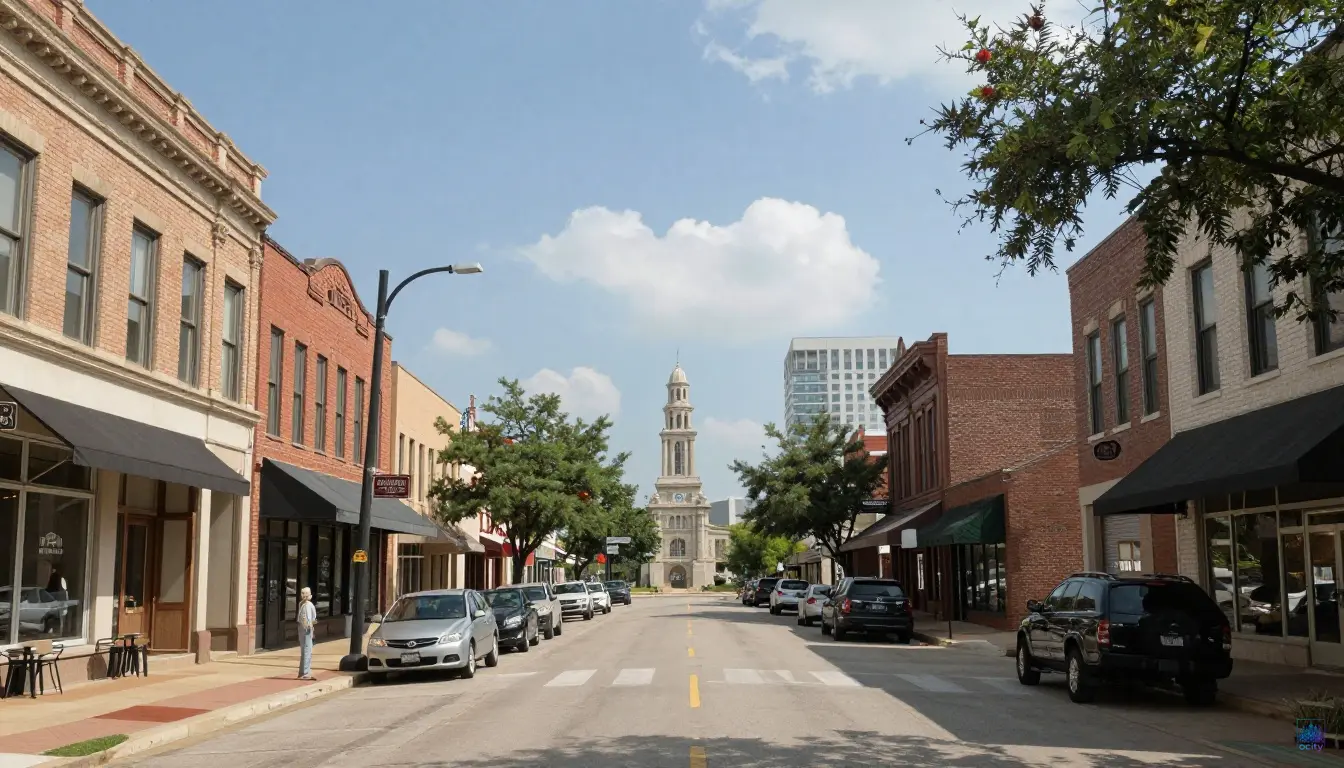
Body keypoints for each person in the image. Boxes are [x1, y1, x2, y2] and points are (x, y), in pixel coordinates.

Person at [297, 586, 316, 680]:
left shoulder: (301, 604)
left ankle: (302, 672)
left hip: (301, 628)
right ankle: (305, 673)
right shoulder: (308, 605)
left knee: (304, 651)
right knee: (308, 650)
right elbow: (308, 619)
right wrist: (311, 627)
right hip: (307, 629)